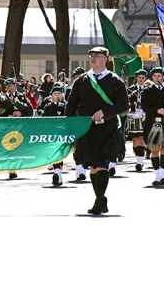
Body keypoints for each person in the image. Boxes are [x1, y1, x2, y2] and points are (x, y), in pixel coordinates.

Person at [65, 47, 128, 214]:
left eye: (97, 56)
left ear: (105, 59)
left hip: (107, 127)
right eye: (91, 56)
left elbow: (123, 105)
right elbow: (71, 105)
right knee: (92, 164)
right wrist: (69, 126)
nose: (93, 59)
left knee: (102, 162)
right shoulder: (82, 81)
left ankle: (100, 199)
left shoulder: (115, 81)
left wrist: (104, 112)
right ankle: (100, 200)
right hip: (87, 128)